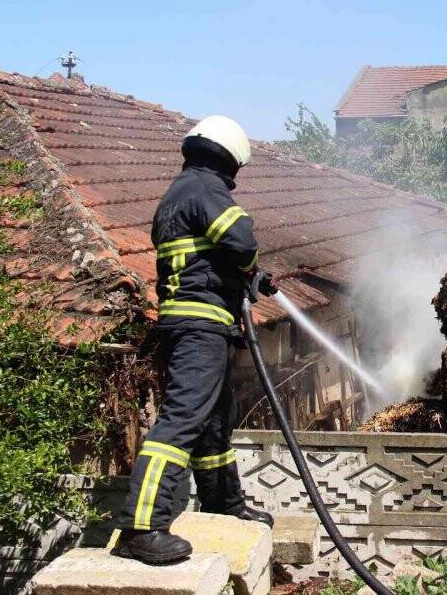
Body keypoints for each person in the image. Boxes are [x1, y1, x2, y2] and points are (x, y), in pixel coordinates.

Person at [113, 115, 275, 564]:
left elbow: (206, 256)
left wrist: (251, 276)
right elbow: (241, 241)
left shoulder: (180, 192)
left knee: (215, 422)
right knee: (181, 422)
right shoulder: (206, 187)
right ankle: (141, 527)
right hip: (199, 327)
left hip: (199, 324)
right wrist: (248, 264)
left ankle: (224, 504)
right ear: (231, 159)